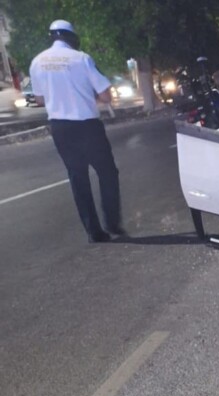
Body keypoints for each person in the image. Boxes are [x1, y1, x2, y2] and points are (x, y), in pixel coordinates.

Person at [29, 20, 124, 243]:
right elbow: (106, 96)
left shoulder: (37, 62)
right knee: (107, 172)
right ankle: (112, 221)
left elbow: (40, 99)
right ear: (72, 37)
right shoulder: (81, 58)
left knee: (78, 178)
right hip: (87, 126)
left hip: (60, 128)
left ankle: (94, 231)